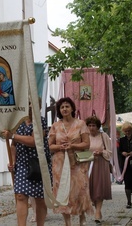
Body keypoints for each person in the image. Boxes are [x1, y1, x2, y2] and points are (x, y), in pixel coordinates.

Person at [2, 102, 51, 226]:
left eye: (31, 103)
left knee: (39, 198)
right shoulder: (18, 122)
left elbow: (34, 141)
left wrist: (13, 135)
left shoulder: (41, 121)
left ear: (38, 105)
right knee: (20, 196)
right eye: (27, 103)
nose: (29, 105)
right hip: (22, 164)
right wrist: (12, 161)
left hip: (38, 164)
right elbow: (13, 145)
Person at [48, 97, 93, 226]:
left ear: (72, 108)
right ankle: (67, 221)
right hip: (60, 163)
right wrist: (59, 147)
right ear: (59, 110)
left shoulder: (81, 124)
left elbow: (87, 144)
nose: (65, 109)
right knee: (62, 190)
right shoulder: (55, 126)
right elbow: (49, 146)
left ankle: (82, 216)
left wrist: (73, 146)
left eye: (67, 106)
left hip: (77, 162)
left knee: (80, 189)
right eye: (62, 107)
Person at [86, 116, 112, 225]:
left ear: (98, 127)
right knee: (90, 189)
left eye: (94, 126)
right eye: (90, 125)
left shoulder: (103, 136)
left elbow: (109, 152)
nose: (92, 128)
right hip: (87, 165)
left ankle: (97, 212)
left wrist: (101, 153)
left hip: (100, 164)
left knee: (99, 188)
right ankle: (96, 207)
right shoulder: (85, 137)